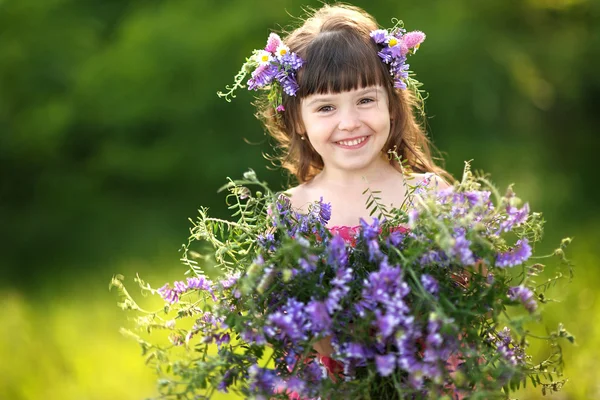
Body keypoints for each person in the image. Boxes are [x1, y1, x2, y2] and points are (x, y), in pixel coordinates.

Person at [220, 3, 460, 397]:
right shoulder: (289, 212)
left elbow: (470, 294)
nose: (349, 122)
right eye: (326, 108)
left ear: (391, 101)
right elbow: (277, 314)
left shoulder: (431, 195)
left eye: (365, 100)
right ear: (298, 119)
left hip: (426, 382)